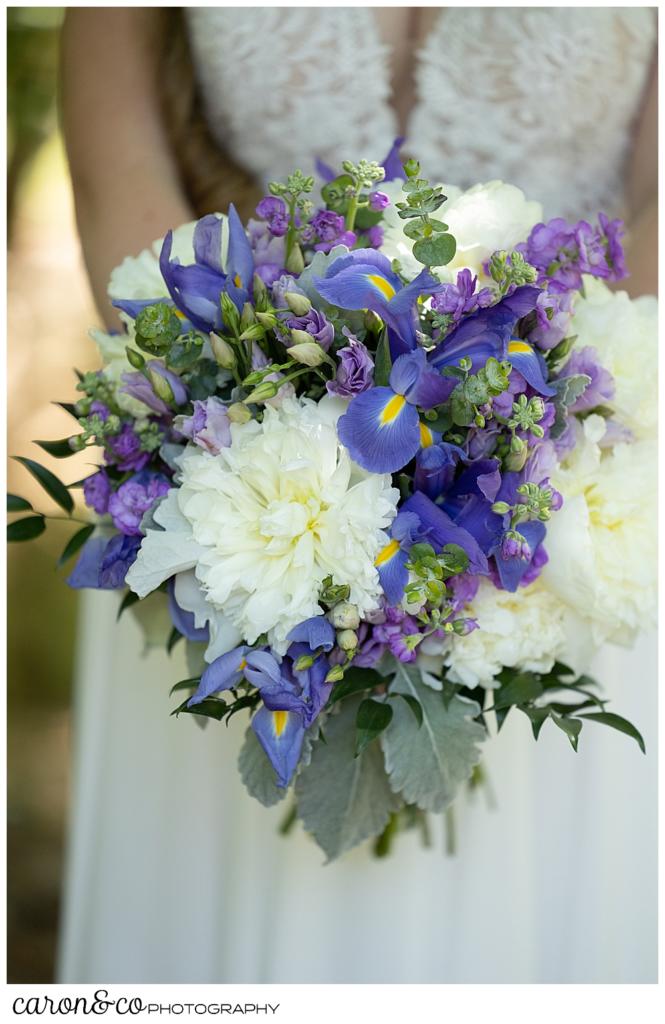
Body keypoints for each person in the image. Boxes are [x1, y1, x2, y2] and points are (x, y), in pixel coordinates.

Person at [57, 7, 657, 983]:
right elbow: (114, 159)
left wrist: (495, 456)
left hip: (560, 498)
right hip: (228, 502)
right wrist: (237, 446)